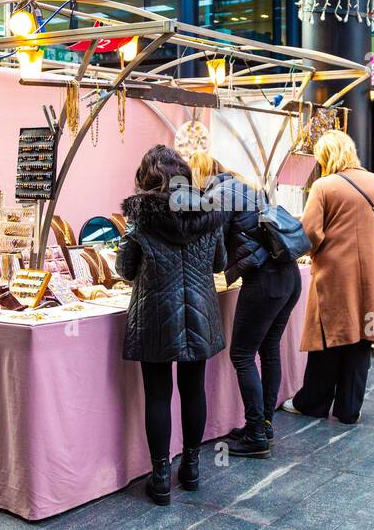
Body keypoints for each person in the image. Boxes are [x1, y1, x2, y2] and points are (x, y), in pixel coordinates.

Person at [116, 145, 227, 506]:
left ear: (146, 177)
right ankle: (192, 469)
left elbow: (125, 269)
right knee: (194, 390)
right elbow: (219, 264)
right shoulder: (207, 211)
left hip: (154, 315)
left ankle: (160, 477)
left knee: (158, 394)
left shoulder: (140, 218)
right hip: (199, 311)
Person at [283, 131, 374, 425]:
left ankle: (314, 402)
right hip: (371, 275)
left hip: (335, 276)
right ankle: (349, 409)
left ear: (328, 155)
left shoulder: (324, 186)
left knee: (329, 337)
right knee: (361, 338)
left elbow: (310, 233)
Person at [192, 153, 302, 459]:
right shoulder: (244, 187)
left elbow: (211, 248)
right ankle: (263, 424)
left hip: (264, 281)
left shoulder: (217, 196)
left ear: (199, 174)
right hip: (288, 275)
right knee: (269, 350)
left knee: (242, 355)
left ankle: (255, 433)